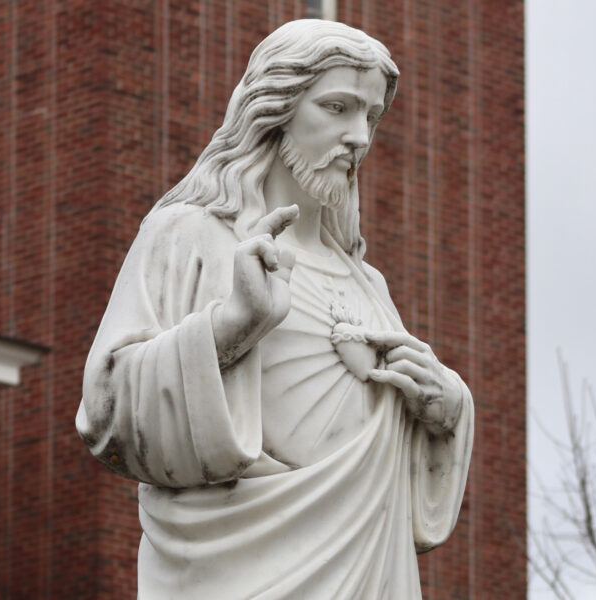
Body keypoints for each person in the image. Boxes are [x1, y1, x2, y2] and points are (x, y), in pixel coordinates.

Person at [77, 19, 474, 599]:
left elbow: (401, 496)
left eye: (370, 116)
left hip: (369, 573)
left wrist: (445, 412)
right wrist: (230, 326)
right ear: (275, 108)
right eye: (337, 107)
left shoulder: (370, 286)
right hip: (234, 569)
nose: (359, 136)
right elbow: (106, 408)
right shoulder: (190, 236)